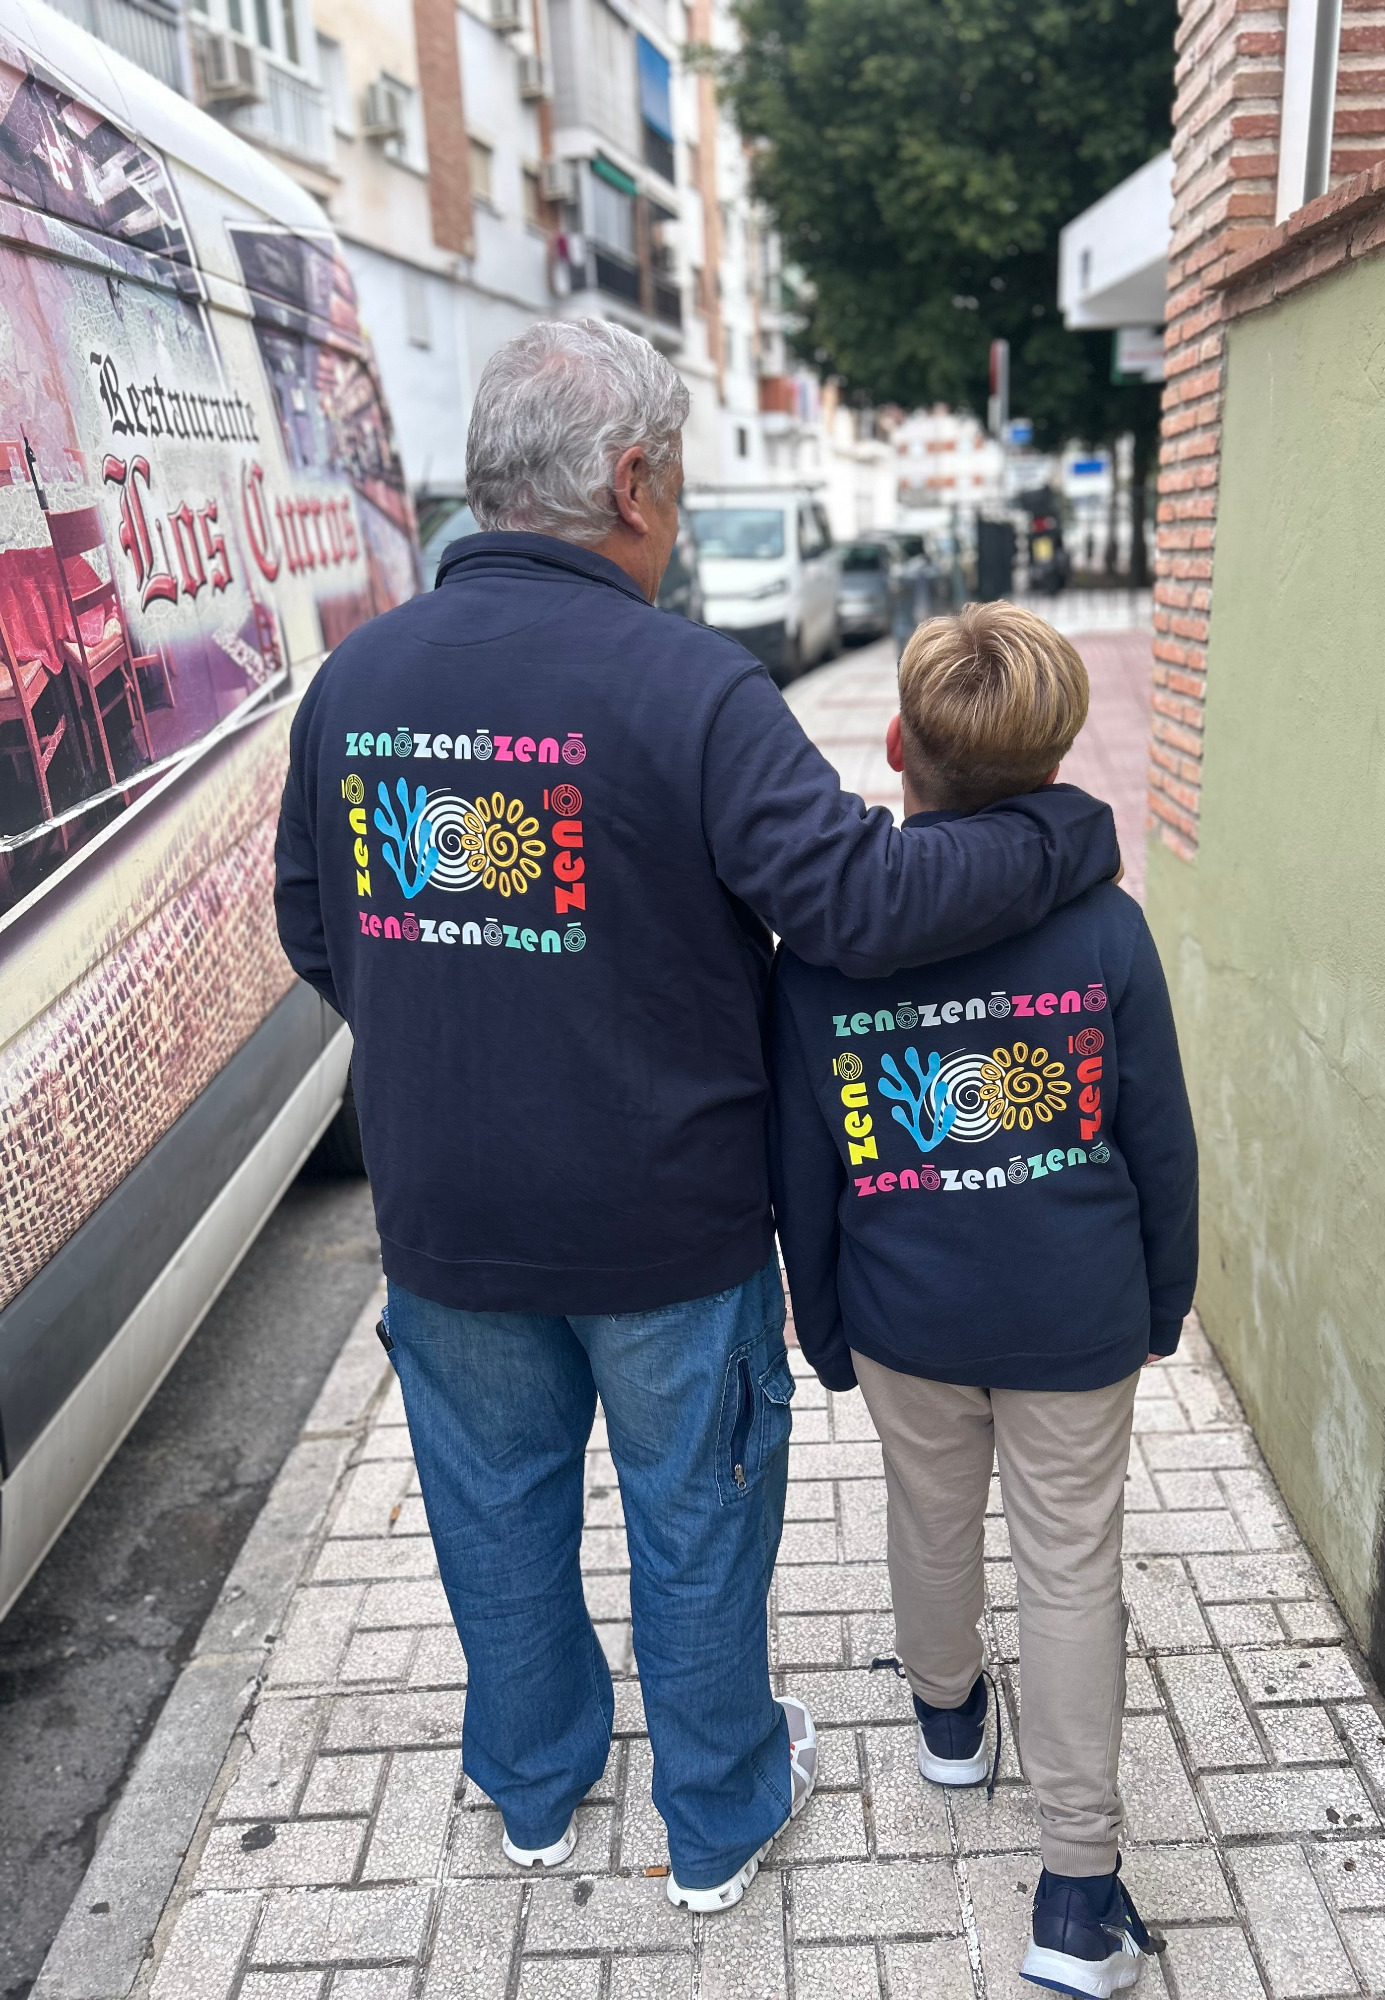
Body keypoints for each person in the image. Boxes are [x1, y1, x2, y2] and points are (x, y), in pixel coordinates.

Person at [273, 321, 1121, 1914]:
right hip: (666, 1219)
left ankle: (534, 1788)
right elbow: (862, 903)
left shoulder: (355, 684)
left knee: (493, 1509)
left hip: (449, 1214)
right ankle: (719, 1815)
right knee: (696, 1519)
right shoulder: (689, 685)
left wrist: (461, 1034)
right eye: (676, 476)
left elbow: (316, 930)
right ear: (631, 481)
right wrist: (1057, 840)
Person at [769, 601, 1197, 1993]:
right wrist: (1162, 1303)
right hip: (1076, 1314)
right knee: (1072, 1567)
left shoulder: (820, 951)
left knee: (929, 1516)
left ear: (900, 748)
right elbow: (1159, 1141)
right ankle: (1075, 1897)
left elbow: (802, 1164)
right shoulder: (1109, 932)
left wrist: (826, 1322)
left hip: (907, 1314)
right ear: (1059, 758)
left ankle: (949, 1727)